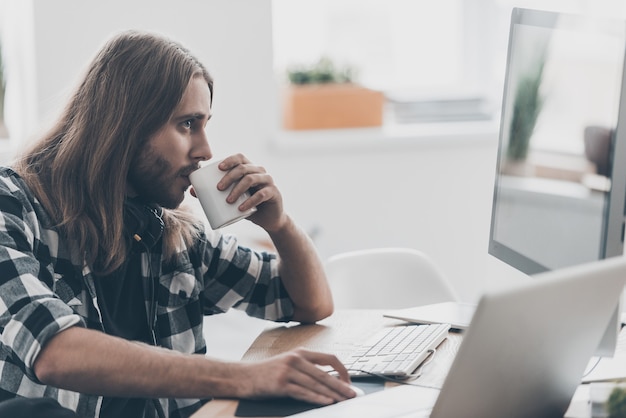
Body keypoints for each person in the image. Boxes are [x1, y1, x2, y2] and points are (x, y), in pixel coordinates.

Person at [0, 30, 356, 418]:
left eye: (204, 125)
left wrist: (280, 225)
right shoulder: (14, 206)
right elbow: (54, 351)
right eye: (188, 124)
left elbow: (307, 303)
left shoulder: (172, 230)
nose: (205, 150)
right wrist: (243, 377)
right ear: (125, 124)